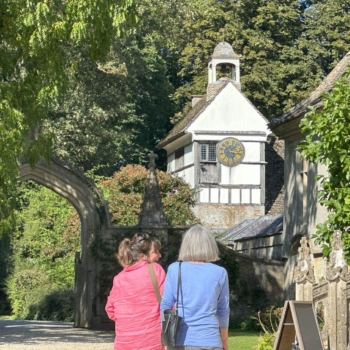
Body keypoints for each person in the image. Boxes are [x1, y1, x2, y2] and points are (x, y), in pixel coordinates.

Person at [161, 225, 230, 350]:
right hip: (210, 339)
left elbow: (166, 304)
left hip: (179, 340)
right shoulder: (220, 272)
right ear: (210, 245)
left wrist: (167, 339)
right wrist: (224, 341)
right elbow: (223, 310)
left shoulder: (175, 269)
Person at [105, 233, 166, 350]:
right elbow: (168, 302)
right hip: (151, 340)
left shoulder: (119, 278)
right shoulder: (155, 270)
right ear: (143, 256)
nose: (159, 255)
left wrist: (129, 321)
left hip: (124, 341)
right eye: (155, 252)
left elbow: (110, 310)